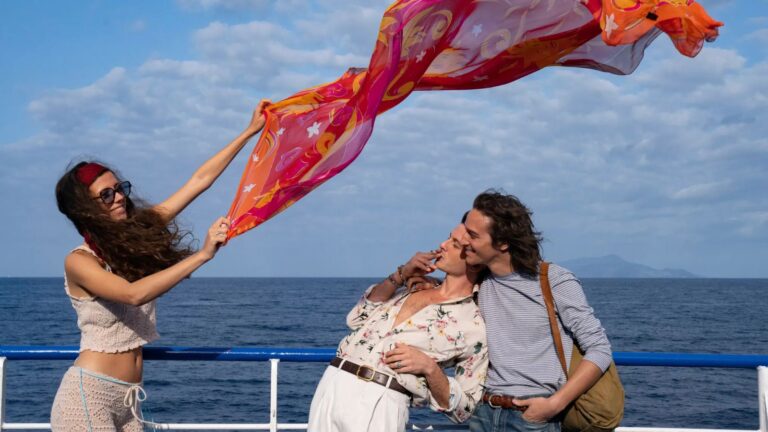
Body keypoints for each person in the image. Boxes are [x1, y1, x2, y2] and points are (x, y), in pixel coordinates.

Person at [49, 100, 270, 432]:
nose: (119, 197)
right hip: (88, 397)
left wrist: (249, 131)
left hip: (129, 401)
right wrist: (202, 255)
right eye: (106, 195)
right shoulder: (79, 261)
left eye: (119, 189)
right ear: (85, 209)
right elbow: (133, 294)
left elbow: (199, 181)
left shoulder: (134, 238)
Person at [307, 223, 489, 432]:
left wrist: (430, 369)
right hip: (333, 382)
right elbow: (356, 318)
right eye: (448, 237)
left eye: (455, 244)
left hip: (381, 399)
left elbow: (464, 410)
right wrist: (401, 274)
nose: (443, 244)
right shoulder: (412, 286)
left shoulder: (474, 326)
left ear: (475, 263)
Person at [461, 190, 613, 432]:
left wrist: (554, 405)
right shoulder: (477, 282)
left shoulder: (553, 280)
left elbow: (599, 348)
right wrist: (404, 274)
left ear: (503, 243)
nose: (463, 240)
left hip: (531, 418)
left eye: (472, 235)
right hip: (482, 413)